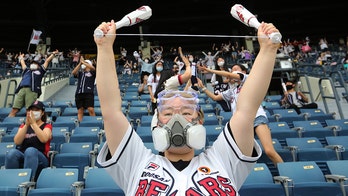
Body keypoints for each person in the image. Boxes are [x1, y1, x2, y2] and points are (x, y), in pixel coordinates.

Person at [94, 20, 280, 194]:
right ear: (156, 123)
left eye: (185, 112)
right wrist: (104, 48)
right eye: (167, 112)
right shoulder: (136, 163)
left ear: (200, 119)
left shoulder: (223, 159)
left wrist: (268, 50)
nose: (178, 119)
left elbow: (247, 109)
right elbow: (110, 111)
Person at [198, 63, 284, 165]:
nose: (233, 72)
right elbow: (215, 98)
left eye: (236, 69)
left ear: (243, 72)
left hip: (256, 117)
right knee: (242, 156)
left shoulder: (248, 79)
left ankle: (287, 174)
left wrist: (210, 70)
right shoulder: (232, 91)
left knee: (269, 151)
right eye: (232, 70)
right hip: (241, 124)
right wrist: (203, 87)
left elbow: (229, 75)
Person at [5, 100, 52, 181]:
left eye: (36, 110)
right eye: (32, 110)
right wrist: (27, 125)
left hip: (40, 157)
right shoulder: (24, 126)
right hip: (23, 155)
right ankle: (11, 180)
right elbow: (17, 141)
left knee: (30, 151)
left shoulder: (47, 126)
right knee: (11, 153)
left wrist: (33, 124)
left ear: (42, 113)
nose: (33, 112)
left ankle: (27, 181)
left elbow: (44, 139)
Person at [8, 50, 59, 117]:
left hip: (32, 90)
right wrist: (21, 58)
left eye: (35, 63)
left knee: (29, 110)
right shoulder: (26, 71)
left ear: (38, 65)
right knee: (14, 110)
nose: (33, 64)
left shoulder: (41, 71)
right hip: (22, 90)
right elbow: (23, 63)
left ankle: (28, 126)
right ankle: (10, 123)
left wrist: (53, 54)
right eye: (32, 63)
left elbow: (47, 61)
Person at [72, 56, 96, 122]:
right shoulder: (80, 73)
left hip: (88, 93)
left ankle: (94, 123)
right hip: (79, 93)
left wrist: (84, 62)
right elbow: (73, 72)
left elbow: (93, 68)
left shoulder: (92, 73)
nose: (83, 64)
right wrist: (80, 63)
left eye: (85, 63)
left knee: (90, 109)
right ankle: (81, 125)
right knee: (80, 110)